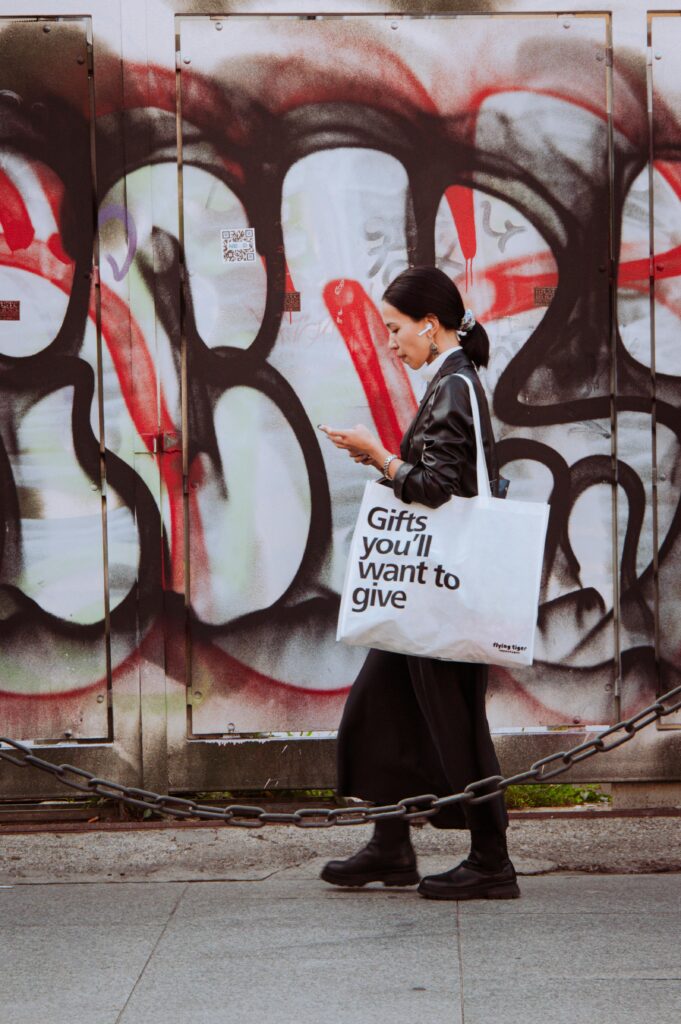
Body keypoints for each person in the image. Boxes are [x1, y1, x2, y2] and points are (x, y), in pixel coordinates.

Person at [318, 265, 519, 901]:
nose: (389, 342)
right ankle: (390, 844)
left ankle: (491, 861)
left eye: (394, 328)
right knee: (380, 704)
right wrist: (386, 461)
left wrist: (380, 457)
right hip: (426, 591)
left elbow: (438, 488)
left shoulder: (454, 386)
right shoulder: (453, 380)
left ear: (430, 325)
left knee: (456, 720)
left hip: (444, 593)